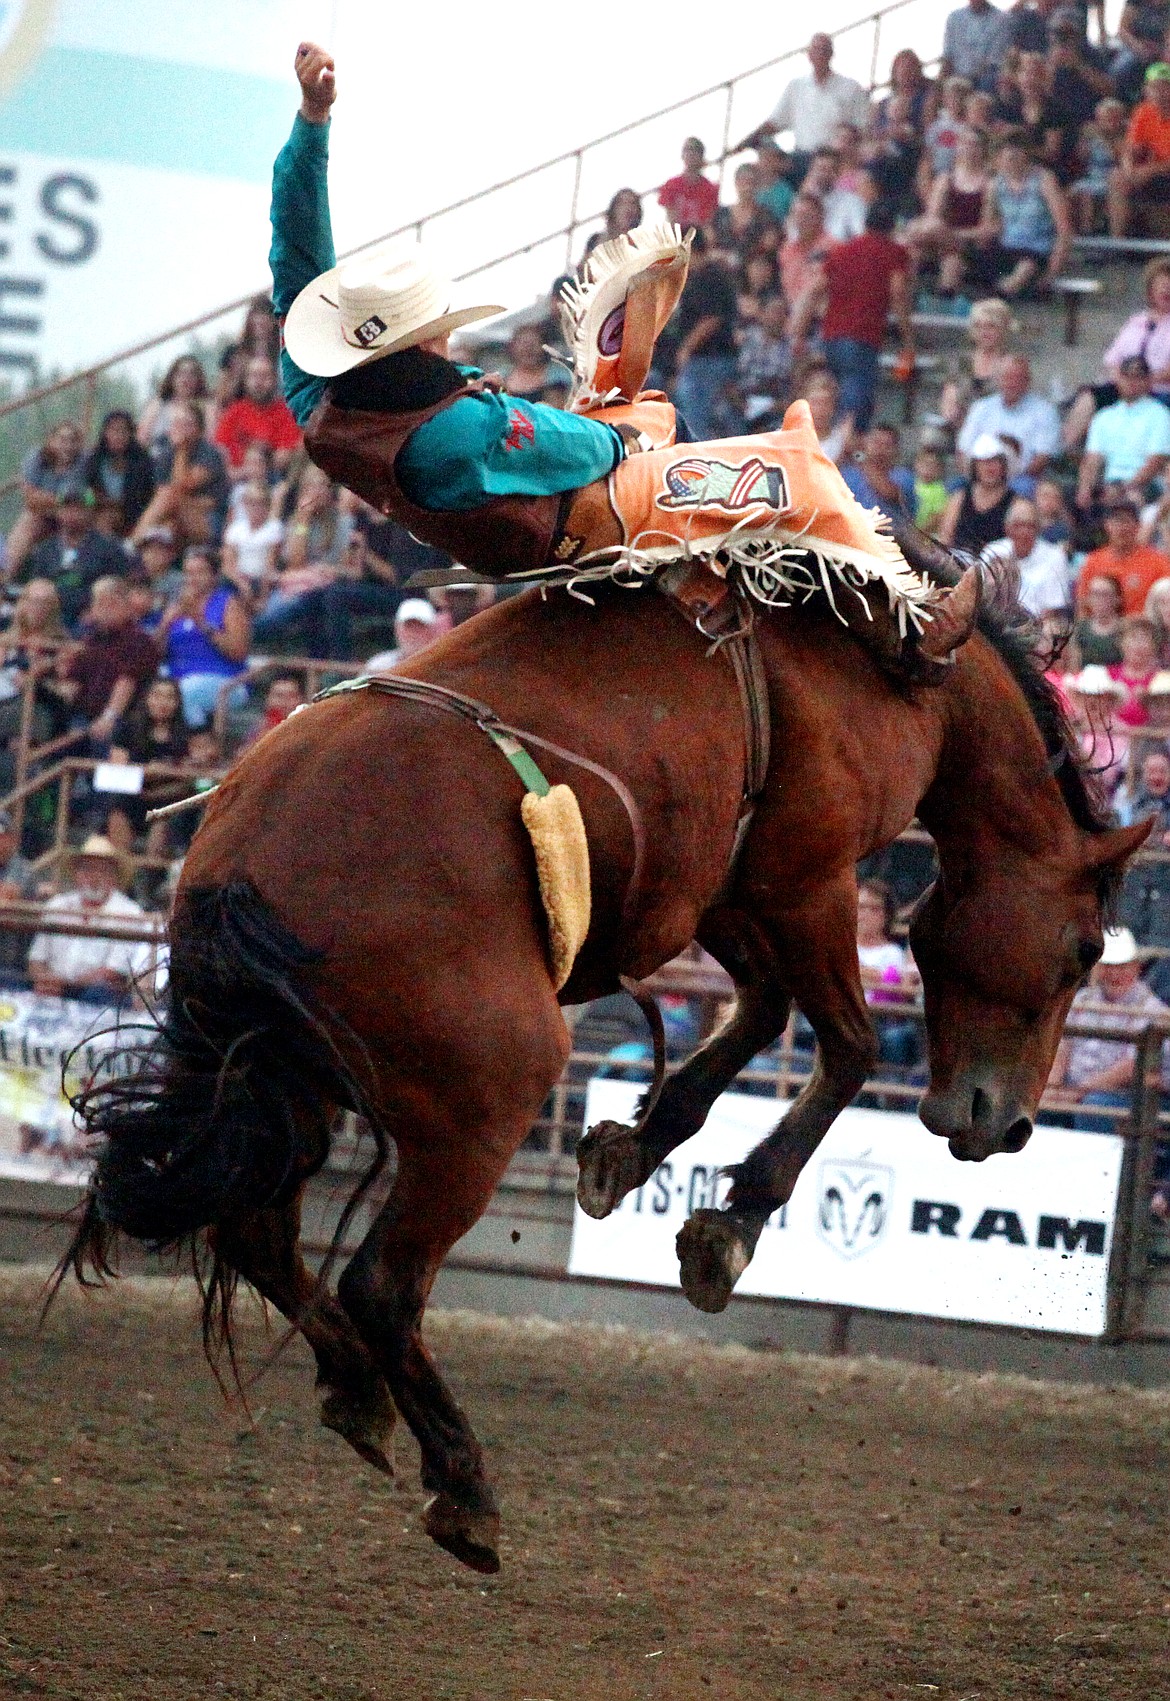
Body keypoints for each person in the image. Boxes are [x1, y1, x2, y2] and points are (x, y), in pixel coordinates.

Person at [790, 201, 912, 434]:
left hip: (832, 336)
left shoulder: (843, 250)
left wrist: (798, 330)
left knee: (833, 398)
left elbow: (815, 290)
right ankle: (847, 451)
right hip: (863, 337)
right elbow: (897, 292)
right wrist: (907, 339)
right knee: (855, 403)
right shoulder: (894, 252)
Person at [1046, 928, 1168, 1132]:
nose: (1114, 974)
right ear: (1098, 968)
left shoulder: (1153, 1011)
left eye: (1122, 967)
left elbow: (1130, 1068)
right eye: (1108, 967)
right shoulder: (1081, 999)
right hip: (1076, 1088)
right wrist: (1052, 1087)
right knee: (1042, 1101)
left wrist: (1075, 1092)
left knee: (1094, 1106)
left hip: (1123, 1095)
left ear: (1136, 968)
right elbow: (1062, 1046)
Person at [27, 835, 153, 1004]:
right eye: (86, 869)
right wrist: (44, 980)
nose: (93, 877)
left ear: (114, 876)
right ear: (76, 873)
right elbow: (36, 958)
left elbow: (113, 972)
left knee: (99, 994)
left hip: (98, 995)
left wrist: (64, 985)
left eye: (102, 870)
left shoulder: (129, 912)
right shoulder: (57, 905)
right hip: (50, 990)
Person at [739, 33, 870, 177]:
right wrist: (744, 144)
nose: (820, 54)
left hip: (834, 160)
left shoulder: (850, 87)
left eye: (824, 50)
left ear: (831, 54)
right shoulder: (796, 86)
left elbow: (862, 126)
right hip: (801, 158)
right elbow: (775, 122)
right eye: (816, 50)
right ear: (809, 55)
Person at [58, 577, 160, 753]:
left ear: (126, 606)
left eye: (111, 604)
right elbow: (74, 681)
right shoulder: (90, 640)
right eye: (99, 604)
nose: (104, 611)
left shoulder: (138, 640)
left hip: (125, 716)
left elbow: (127, 681)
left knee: (106, 734)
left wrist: (109, 717)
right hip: (84, 714)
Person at [157, 546, 251, 727]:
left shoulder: (228, 603)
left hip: (226, 679)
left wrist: (200, 621)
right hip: (177, 674)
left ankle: (197, 743)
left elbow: (238, 652)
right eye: (188, 573)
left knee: (183, 693)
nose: (193, 578)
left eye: (200, 572)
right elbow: (157, 653)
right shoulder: (176, 605)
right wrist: (165, 625)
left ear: (214, 576)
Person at [20, 489, 129, 631]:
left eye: (79, 508)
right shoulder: (45, 549)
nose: (72, 514)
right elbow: (36, 585)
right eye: (67, 508)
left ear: (90, 511)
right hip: (50, 616)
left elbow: (117, 586)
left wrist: (96, 611)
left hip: (89, 617)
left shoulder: (109, 548)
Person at [1075, 355, 1170, 512]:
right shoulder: (1104, 416)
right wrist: (1085, 488)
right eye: (1126, 376)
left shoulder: (1160, 415)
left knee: (1131, 500)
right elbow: (1092, 460)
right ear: (1118, 378)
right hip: (1109, 483)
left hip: (1145, 484)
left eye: (1138, 377)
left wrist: (1124, 488)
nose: (1131, 382)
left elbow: (1156, 462)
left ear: (1148, 381)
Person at [669, 228, 740, 439]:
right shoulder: (702, 277)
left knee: (696, 415)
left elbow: (711, 319)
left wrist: (686, 349)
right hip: (709, 360)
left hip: (709, 360)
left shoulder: (709, 277)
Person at [133, 401, 231, 548]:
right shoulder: (165, 455)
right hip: (179, 513)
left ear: (199, 429)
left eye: (187, 424)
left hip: (209, 520)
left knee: (170, 496)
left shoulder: (210, 453)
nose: (181, 429)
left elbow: (183, 486)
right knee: (167, 526)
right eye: (177, 423)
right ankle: (139, 554)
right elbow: (160, 495)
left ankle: (132, 544)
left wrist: (181, 450)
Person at [983, 131, 1071, 295]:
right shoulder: (995, 184)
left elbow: (1064, 231)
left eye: (1016, 154)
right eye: (1007, 156)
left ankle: (1001, 295)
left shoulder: (1044, 180)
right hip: (1006, 249)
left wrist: (1052, 273)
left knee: (1026, 267)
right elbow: (988, 226)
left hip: (1037, 251)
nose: (1011, 160)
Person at [956, 353, 1060, 489]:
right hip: (979, 477)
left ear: (1028, 381)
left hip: (1021, 478)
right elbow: (963, 450)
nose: (1011, 384)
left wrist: (1001, 483)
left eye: (1017, 378)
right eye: (1006, 378)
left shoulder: (1045, 411)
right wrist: (978, 479)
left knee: (1022, 487)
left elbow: (1042, 458)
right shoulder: (981, 407)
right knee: (955, 487)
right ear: (998, 380)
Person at [6, 421, 87, 577]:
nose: (67, 446)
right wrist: (64, 499)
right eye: (62, 440)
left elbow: (87, 498)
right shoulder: (37, 458)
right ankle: (4, 577)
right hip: (41, 514)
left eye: (73, 441)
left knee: (73, 525)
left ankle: (70, 581)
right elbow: (30, 499)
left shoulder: (84, 462)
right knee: (26, 526)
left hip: (73, 516)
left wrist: (55, 501)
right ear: (51, 440)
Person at [1109, 61, 1170, 237]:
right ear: (1146, 90)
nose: (1160, 93)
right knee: (1117, 177)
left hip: (1159, 171)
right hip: (1153, 173)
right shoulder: (1143, 112)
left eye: (1165, 87)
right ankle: (1117, 243)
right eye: (1155, 87)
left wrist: (1148, 171)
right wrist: (1129, 170)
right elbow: (1131, 148)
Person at [213, 354, 302, 473]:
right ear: (245, 380)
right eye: (254, 376)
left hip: (274, 478)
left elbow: (283, 458)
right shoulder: (234, 412)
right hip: (237, 480)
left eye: (264, 376)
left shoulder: (286, 412)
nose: (259, 382)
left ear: (274, 380)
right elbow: (220, 451)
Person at [1079, 500, 1170, 614]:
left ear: (1138, 526)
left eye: (1127, 521)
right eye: (1116, 521)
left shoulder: (1158, 562)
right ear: (1107, 525)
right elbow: (1083, 606)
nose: (1121, 528)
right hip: (1104, 627)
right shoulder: (1093, 561)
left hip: (1143, 628)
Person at [984, 497, 1070, 616]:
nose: (1024, 532)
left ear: (1038, 529)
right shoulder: (993, 551)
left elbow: (1053, 609)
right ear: (1007, 528)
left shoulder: (1055, 556)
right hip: (996, 622)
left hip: (1037, 626)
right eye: (1018, 526)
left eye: (1030, 526)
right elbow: (983, 597)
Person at [84, 411, 156, 535]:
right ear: (105, 433)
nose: (118, 435)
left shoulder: (142, 461)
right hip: (100, 511)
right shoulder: (94, 461)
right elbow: (86, 493)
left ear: (130, 434)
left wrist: (119, 506)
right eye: (113, 430)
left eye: (123, 431)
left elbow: (146, 495)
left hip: (134, 514)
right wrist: (99, 501)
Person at [937, 434, 1014, 551]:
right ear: (975, 466)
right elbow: (945, 538)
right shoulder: (959, 498)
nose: (989, 468)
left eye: (994, 461)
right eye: (984, 462)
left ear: (1004, 466)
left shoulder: (1016, 503)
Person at [222, 481, 286, 604]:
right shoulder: (235, 528)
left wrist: (263, 597)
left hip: (261, 579)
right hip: (237, 579)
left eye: (260, 503)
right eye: (251, 503)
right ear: (245, 504)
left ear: (267, 505)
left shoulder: (274, 528)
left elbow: (270, 565)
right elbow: (227, 565)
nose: (255, 507)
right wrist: (242, 584)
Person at [136, 353, 215, 453]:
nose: (186, 378)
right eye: (181, 373)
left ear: (199, 379)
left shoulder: (207, 406)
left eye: (192, 374)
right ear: (172, 377)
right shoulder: (157, 404)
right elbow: (141, 439)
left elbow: (211, 440)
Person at [840, 423, 916, 523]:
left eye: (887, 445)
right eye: (876, 442)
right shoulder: (848, 473)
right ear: (865, 443)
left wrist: (861, 459)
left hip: (888, 534)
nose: (880, 449)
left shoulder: (904, 476)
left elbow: (888, 492)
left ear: (896, 450)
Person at [777, 191, 836, 310]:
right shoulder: (787, 250)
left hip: (821, 312)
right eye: (797, 215)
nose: (801, 221)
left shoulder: (833, 248)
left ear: (820, 217)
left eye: (807, 215)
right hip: (790, 311)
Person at [711, 163, 780, 264]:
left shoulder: (766, 217)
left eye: (752, 182)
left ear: (758, 185)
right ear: (736, 182)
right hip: (720, 271)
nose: (748, 186)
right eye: (743, 181)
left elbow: (769, 246)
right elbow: (709, 245)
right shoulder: (721, 214)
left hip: (751, 271)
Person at [943, 0, 1016, 86]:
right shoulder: (954, 18)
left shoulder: (1002, 19)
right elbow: (948, 56)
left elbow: (995, 58)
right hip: (958, 78)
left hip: (986, 77)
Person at [658, 137, 719, 231]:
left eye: (696, 150)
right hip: (676, 234)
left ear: (702, 156)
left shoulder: (710, 189)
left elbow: (707, 221)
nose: (691, 154)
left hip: (699, 237)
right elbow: (671, 219)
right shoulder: (671, 185)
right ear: (682, 155)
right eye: (688, 150)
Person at [1072, 570, 1124, 663]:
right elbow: (1074, 664)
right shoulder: (1080, 630)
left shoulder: (1126, 628)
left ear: (1117, 598)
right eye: (1095, 594)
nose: (1099, 599)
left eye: (1105, 595)